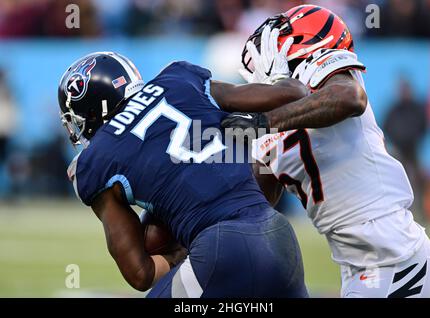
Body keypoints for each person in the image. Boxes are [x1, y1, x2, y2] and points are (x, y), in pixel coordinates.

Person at [221, 4, 430, 298]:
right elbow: (255, 204)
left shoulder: (332, 82)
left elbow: (351, 98)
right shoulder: (271, 120)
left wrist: (265, 122)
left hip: (394, 258)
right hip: (361, 265)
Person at [57, 51, 309, 297]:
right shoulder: (180, 80)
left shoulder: (96, 162)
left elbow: (140, 274)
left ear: (92, 112)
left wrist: (182, 251)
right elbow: (292, 94)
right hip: (279, 236)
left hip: (219, 249)